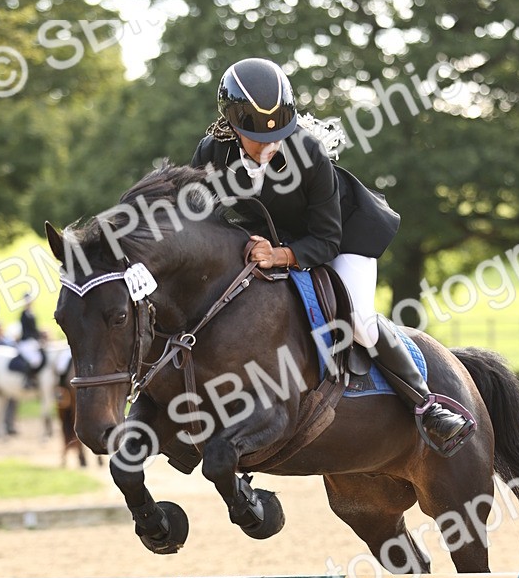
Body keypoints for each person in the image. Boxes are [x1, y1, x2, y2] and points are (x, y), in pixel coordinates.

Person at [191, 57, 474, 454]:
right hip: (275, 240)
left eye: (280, 134)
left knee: (358, 320)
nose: (272, 144)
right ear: (234, 126)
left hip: (344, 237)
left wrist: (282, 255)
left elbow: (326, 238)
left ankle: (428, 406)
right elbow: (201, 218)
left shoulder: (307, 151)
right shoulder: (212, 152)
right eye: (258, 136)